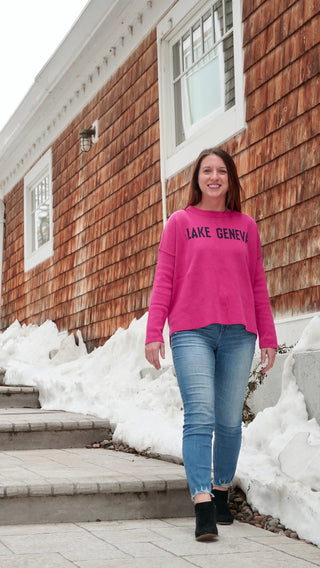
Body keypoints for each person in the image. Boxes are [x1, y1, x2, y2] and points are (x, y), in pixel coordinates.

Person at [145, 148, 277, 541]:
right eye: (207, 170)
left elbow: (257, 285)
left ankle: (221, 490)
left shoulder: (246, 226)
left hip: (239, 333)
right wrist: (154, 331)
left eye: (221, 171)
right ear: (197, 178)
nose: (214, 176)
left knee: (229, 420)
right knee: (199, 415)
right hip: (191, 332)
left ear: (230, 178)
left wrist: (267, 336)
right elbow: (164, 279)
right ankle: (202, 501)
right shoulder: (180, 222)